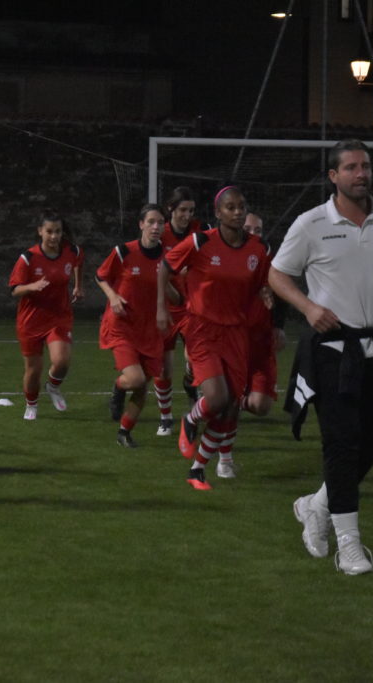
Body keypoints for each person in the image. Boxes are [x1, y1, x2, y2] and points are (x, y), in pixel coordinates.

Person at [268, 139, 373, 576]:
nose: (362, 174)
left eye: (366, 166)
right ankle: (350, 545)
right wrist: (308, 308)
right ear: (333, 176)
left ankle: (316, 505)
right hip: (330, 347)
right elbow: (276, 273)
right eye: (352, 167)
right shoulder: (311, 224)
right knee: (341, 443)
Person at [157, 185, 270, 491]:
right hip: (203, 328)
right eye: (230, 208)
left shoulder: (259, 250)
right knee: (217, 398)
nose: (237, 212)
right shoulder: (200, 241)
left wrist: (267, 296)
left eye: (241, 206)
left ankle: (198, 470)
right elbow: (164, 268)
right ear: (218, 213)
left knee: (231, 405)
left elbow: (262, 285)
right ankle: (190, 419)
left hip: (237, 333)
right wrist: (161, 310)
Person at [220, 211, 287, 479]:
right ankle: (225, 460)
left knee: (261, 406)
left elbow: (281, 292)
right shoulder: (227, 257)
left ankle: (223, 402)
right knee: (230, 399)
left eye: (258, 229)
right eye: (248, 228)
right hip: (234, 340)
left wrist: (279, 326)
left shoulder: (271, 259)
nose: (253, 232)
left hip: (261, 344)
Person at [97, 204, 167, 448]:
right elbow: (101, 276)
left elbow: (175, 288)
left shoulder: (168, 256)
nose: (156, 227)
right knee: (135, 379)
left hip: (150, 330)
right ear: (141, 224)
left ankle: (124, 433)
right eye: (151, 222)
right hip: (123, 325)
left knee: (142, 385)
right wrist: (113, 297)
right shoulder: (124, 251)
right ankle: (119, 387)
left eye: (160, 222)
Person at [8, 210, 84, 420]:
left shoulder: (71, 251)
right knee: (33, 370)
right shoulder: (28, 258)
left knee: (62, 361)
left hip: (59, 316)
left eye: (57, 231)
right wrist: (32, 286)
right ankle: (31, 405)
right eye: (49, 231)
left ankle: (52, 387)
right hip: (31, 320)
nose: (54, 236)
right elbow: (14, 289)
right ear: (40, 231)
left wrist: (78, 285)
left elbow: (78, 260)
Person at [153, 186, 204, 436]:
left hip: (192, 308)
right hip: (165, 308)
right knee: (163, 368)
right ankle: (165, 417)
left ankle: (191, 389)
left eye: (191, 210)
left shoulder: (199, 232)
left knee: (195, 364)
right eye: (183, 209)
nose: (187, 215)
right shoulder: (158, 233)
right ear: (170, 209)